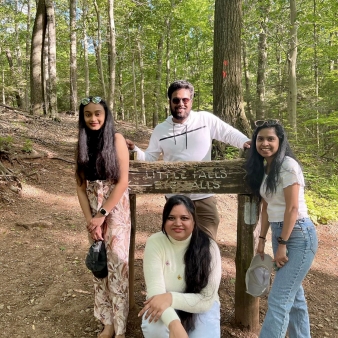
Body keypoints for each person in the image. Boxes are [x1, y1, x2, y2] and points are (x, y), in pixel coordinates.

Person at [126, 80, 251, 240]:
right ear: (170, 102)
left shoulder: (205, 120)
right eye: (176, 100)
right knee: (176, 247)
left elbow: (228, 133)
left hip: (203, 196)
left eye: (185, 100)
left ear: (191, 101)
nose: (180, 104)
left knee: (206, 246)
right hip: (175, 199)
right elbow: (150, 158)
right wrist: (134, 149)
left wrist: (246, 142)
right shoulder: (160, 130)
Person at [245, 119, 318, 338]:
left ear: (280, 141)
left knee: (279, 300)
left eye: (270, 139)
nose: (264, 143)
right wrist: (262, 238)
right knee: (294, 300)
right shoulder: (267, 168)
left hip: (298, 235)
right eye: (260, 139)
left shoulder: (287, 165)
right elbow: (267, 205)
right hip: (281, 233)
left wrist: (282, 244)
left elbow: (293, 208)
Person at [75, 96, 131, 338]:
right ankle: (107, 322)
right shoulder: (81, 142)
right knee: (100, 268)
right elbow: (80, 185)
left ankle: (120, 327)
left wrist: (102, 214)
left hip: (115, 210)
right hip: (93, 212)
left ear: (105, 115)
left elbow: (122, 181)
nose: (93, 118)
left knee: (118, 267)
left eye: (98, 113)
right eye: (88, 114)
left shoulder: (116, 139)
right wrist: (91, 221)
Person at [139, 195, 222, 338]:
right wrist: (174, 325)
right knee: (154, 330)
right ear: (164, 220)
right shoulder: (155, 242)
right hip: (164, 304)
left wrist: (171, 298)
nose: (178, 223)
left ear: (194, 221)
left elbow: (207, 299)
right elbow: (156, 293)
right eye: (171, 218)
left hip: (199, 306)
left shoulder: (209, 247)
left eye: (184, 218)